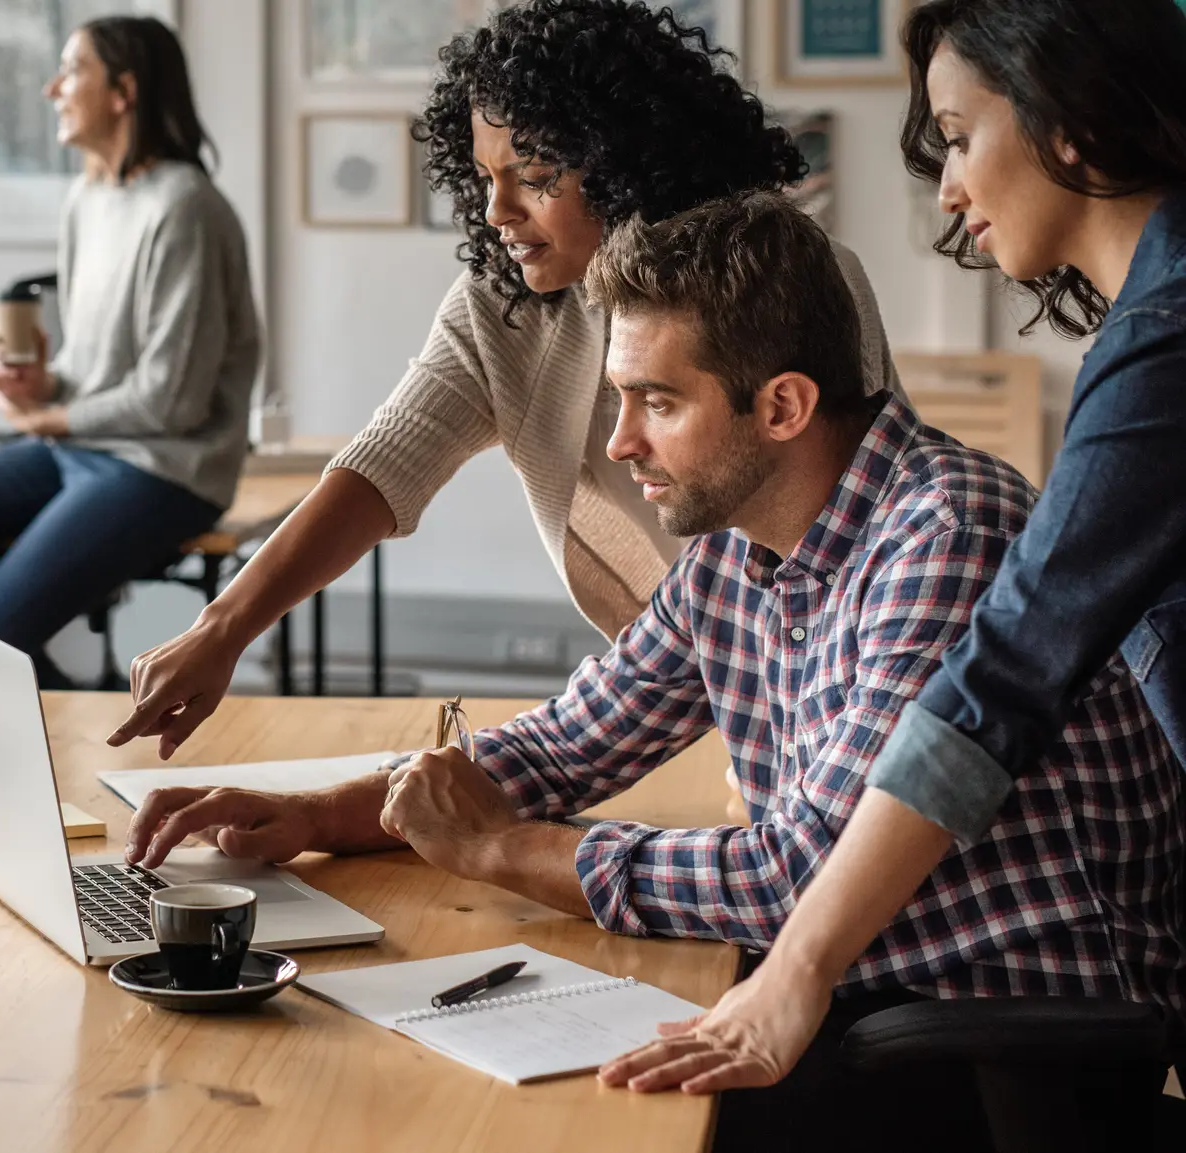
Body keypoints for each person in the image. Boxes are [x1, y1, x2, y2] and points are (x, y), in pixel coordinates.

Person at [124, 193, 1186, 1150]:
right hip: (856, 995)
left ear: (781, 406)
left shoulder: (941, 532)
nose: (621, 443)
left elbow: (794, 876)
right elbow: (566, 742)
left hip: (989, 1039)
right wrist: (318, 813)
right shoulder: (737, 543)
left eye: (657, 404)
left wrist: (503, 850)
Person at [599, 0, 1186, 1098]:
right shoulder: (1147, 325)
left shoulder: (1167, 341)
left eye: (961, 135)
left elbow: (1005, 676)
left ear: (1072, 121)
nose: (951, 189)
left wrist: (799, 967)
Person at [109, 0, 901, 757]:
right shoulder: (505, 305)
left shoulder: (787, 281)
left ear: (627, 160)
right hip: (661, 683)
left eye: (533, 175)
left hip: (827, 677)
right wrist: (222, 630)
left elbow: (856, 525)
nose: (496, 211)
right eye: (485, 177)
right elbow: (383, 465)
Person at [0, 15, 260, 690]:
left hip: (164, 470)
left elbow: (172, 399)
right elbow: (95, 372)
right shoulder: (87, 199)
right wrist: (44, 384)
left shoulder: (186, 208)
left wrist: (51, 419)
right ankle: (60, 705)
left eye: (72, 70)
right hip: (82, 451)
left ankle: (43, 708)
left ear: (123, 91)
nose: (52, 88)